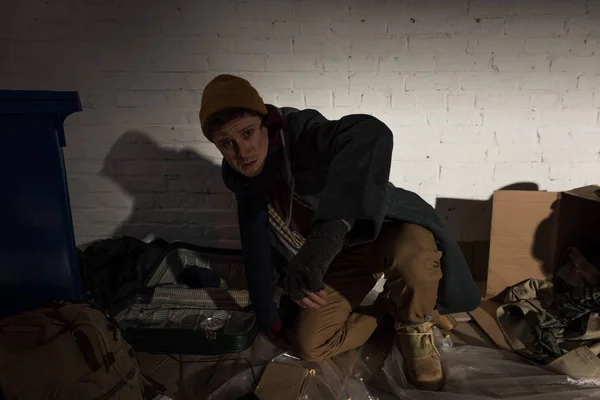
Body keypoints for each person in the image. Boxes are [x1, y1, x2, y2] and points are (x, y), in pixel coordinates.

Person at [198, 74, 480, 391]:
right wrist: (269, 315)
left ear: (267, 124)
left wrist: (321, 243)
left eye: (248, 133)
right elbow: (254, 247)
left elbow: (370, 132)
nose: (242, 151)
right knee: (309, 345)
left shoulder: (301, 134)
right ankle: (394, 311)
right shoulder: (244, 184)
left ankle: (416, 326)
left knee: (413, 250)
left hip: (380, 235)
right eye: (226, 143)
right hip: (340, 260)